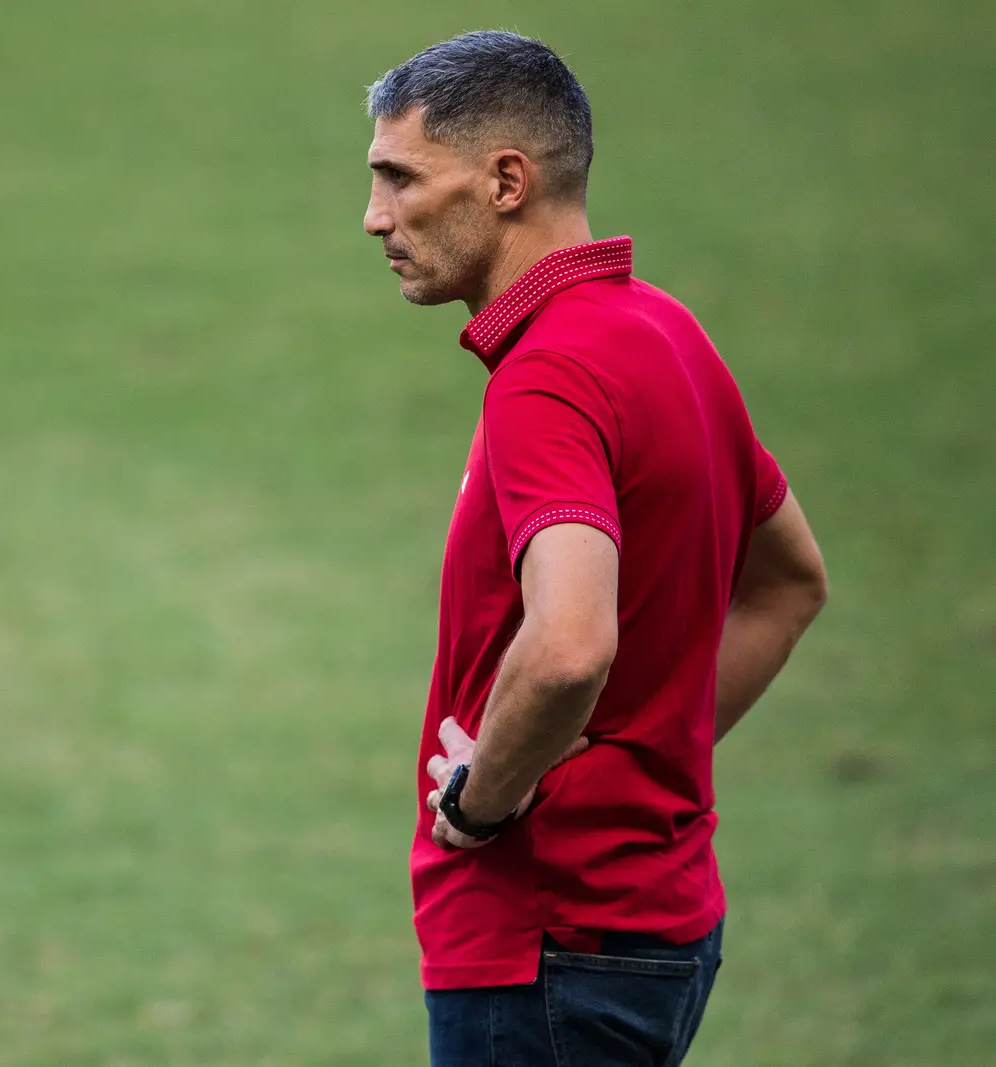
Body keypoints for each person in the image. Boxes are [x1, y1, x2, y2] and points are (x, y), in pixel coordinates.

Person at [361, 31, 828, 1067]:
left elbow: (570, 642)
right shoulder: (668, 334)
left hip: (545, 941)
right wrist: (639, 752)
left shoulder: (546, 376)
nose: (375, 216)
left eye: (400, 178)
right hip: (659, 926)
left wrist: (481, 800)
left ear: (506, 182)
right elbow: (791, 582)